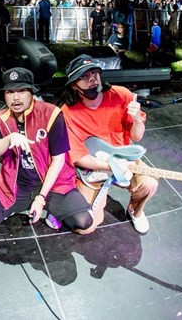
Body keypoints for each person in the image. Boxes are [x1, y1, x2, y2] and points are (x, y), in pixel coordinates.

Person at [0, 67, 94, 233]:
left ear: (32, 92)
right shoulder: (2, 118)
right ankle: (18, 206)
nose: (16, 97)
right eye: (10, 92)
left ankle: (53, 211)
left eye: (22, 91)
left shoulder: (51, 114)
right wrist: (9, 138)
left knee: (83, 221)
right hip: (17, 186)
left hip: (53, 185)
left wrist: (41, 198)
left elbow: (58, 160)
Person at [60, 54, 158, 234]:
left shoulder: (121, 94)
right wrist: (109, 166)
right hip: (93, 168)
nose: (92, 79)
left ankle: (135, 211)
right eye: (84, 76)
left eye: (94, 73)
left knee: (149, 183)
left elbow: (136, 137)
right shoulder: (67, 112)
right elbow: (79, 157)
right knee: (84, 228)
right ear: (73, 85)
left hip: (124, 159)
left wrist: (137, 119)